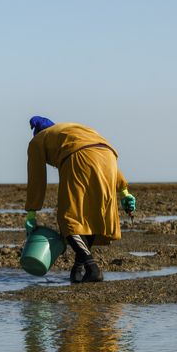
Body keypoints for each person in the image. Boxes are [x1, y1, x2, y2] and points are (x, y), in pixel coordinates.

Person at [25, 116, 135, 283]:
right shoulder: (71, 131)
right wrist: (124, 192)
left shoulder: (38, 140)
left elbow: (36, 177)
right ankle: (77, 269)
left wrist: (31, 212)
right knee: (92, 216)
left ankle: (93, 268)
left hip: (79, 158)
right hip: (108, 157)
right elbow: (99, 153)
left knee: (68, 220)